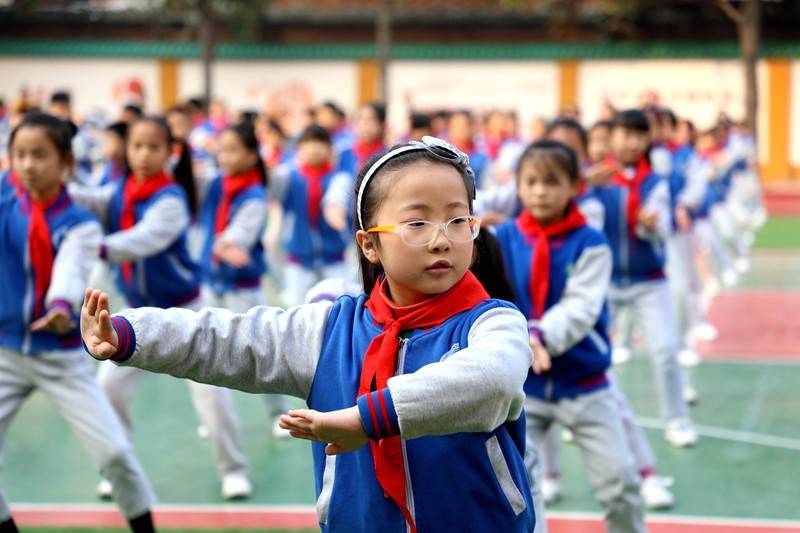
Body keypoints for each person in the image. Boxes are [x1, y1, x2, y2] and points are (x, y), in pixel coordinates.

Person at [81, 136, 535, 533]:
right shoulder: (329, 331)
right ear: (369, 244)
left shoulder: (493, 323)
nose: (442, 239)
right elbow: (230, 339)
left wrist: (367, 419)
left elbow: (488, 381)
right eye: (417, 223)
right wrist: (129, 332)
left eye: (459, 221)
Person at [68, 116, 253, 500]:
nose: (144, 155)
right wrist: (57, 186)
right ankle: (117, 470)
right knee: (109, 390)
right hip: (134, 314)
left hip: (185, 309)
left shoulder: (171, 198)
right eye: (137, 146)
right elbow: (91, 199)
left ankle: (233, 470)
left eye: (154, 147)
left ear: (171, 152)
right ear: (127, 149)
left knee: (211, 394)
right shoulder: (120, 190)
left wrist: (95, 245)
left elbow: (144, 239)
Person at [0, 113, 156, 533]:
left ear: (66, 161)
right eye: (19, 155)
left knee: (115, 455)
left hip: (61, 356)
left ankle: (144, 527)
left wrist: (62, 305)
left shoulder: (80, 223)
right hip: (6, 352)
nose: (28, 165)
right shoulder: (3, 202)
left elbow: (71, 267)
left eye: (40, 155)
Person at [494, 140, 645, 533]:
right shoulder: (502, 239)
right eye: (531, 182)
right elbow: (490, 297)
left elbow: (581, 308)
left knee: (621, 484)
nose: (540, 191)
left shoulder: (590, 243)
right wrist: (518, 336)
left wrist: (538, 334)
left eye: (551, 181)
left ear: (575, 187)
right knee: (517, 489)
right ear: (519, 188)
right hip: (522, 390)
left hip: (586, 386)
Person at [592, 109, 698, 448]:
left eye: (639, 135)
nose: (632, 141)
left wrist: (652, 225)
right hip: (603, 281)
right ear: (611, 138)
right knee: (592, 352)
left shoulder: (654, 182)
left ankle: (677, 418)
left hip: (650, 281)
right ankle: (588, 415)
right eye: (625, 134)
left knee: (666, 350)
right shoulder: (596, 179)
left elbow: (664, 227)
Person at [271, 124, 353, 306]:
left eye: (320, 144)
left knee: (341, 307)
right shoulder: (289, 177)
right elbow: (272, 190)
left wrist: (335, 210)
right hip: (298, 258)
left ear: (330, 149)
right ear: (299, 150)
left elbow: (337, 197)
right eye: (308, 144)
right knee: (298, 312)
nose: (315, 149)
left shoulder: (339, 177)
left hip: (334, 257)